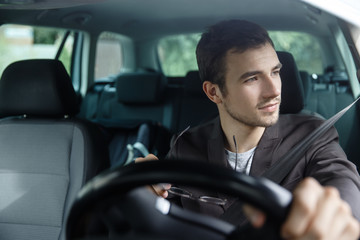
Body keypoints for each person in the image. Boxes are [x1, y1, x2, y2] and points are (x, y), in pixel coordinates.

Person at [137, 19, 360, 239]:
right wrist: (147, 193)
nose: (274, 90)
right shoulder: (185, 145)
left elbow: (343, 183)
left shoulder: (312, 135)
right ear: (214, 92)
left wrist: (336, 217)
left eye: (275, 72)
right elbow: (165, 221)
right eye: (252, 78)